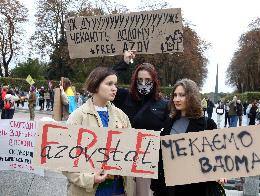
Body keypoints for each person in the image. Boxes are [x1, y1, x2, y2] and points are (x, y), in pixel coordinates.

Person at [64, 67, 136, 196]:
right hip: (88, 191)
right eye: (109, 84)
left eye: (115, 84)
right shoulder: (78, 116)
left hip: (118, 189)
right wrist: (89, 179)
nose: (114, 88)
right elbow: (64, 159)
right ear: (96, 85)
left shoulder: (122, 116)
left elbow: (132, 151)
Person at [151, 78, 226, 196]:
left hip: (193, 188)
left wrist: (220, 173)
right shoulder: (168, 122)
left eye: (182, 95)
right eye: (175, 95)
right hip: (167, 187)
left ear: (192, 97)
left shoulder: (208, 124)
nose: (177, 99)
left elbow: (218, 155)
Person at [112, 50, 168, 196]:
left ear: (154, 81)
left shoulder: (163, 105)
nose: (143, 84)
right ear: (135, 80)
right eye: (140, 80)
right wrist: (123, 63)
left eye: (147, 80)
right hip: (124, 157)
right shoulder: (124, 97)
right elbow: (103, 81)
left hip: (148, 161)